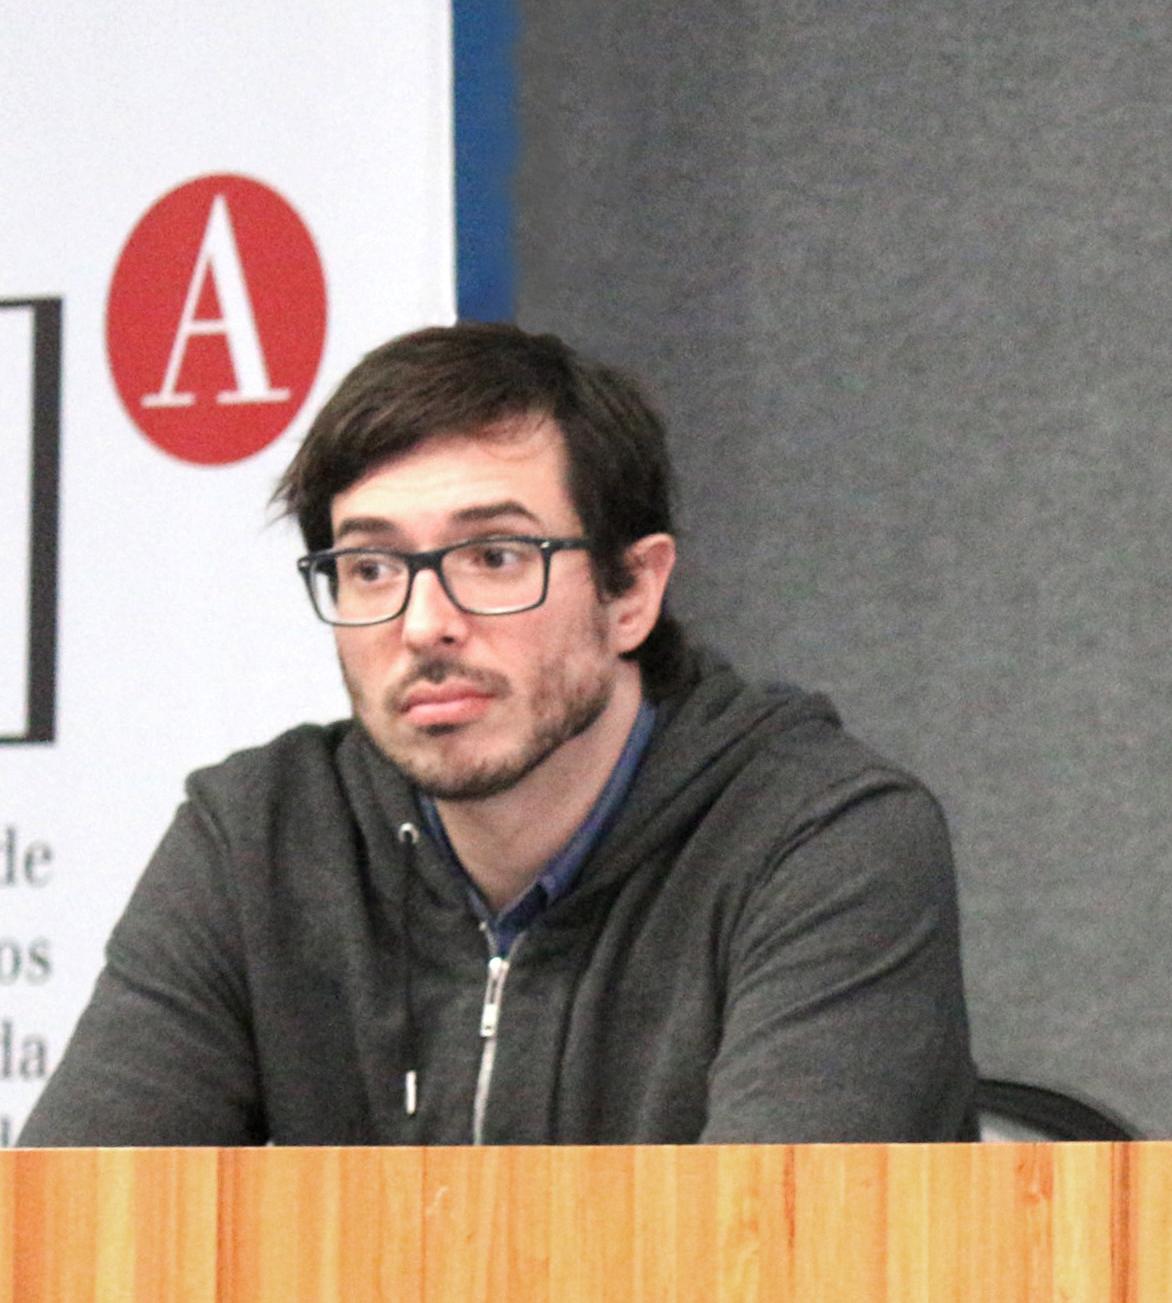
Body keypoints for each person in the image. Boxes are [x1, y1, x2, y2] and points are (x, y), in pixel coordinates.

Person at [24, 325, 977, 1145]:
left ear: (632, 592)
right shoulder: (257, 841)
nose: (423, 624)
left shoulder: (820, 841)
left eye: (493, 556)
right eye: (370, 567)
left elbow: (781, 1254)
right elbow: (72, 1242)